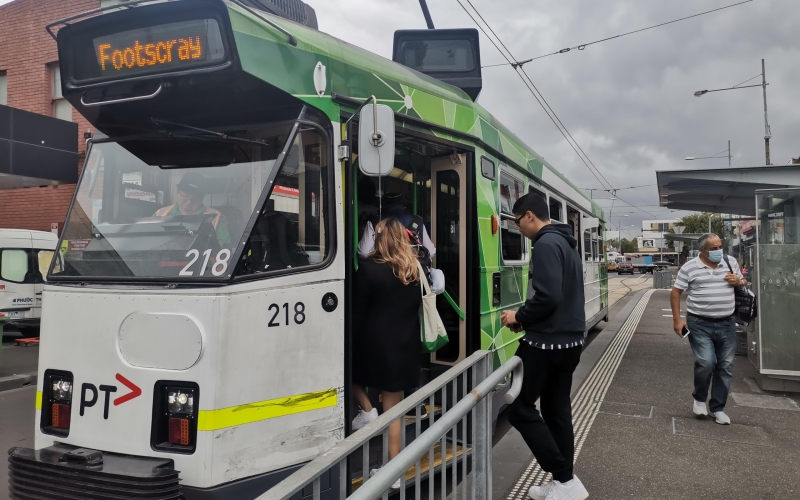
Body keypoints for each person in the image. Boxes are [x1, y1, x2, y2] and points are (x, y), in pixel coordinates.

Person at [499, 193, 589, 500]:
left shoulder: (546, 245)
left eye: (516, 220)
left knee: (519, 409)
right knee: (555, 411)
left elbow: (548, 296)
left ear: (528, 216)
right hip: (570, 341)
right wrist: (525, 320)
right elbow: (559, 297)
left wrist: (519, 316)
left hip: (546, 344)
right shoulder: (565, 243)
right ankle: (564, 482)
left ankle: (564, 477)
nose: (517, 228)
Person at [350, 218, 422, 490]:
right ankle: (395, 473)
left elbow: (358, 311)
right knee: (395, 412)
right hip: (405, 348)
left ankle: (367, 409)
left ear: (379, 237)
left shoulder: (368, 269)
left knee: (350, 375)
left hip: (373, 346)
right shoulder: (413, 268)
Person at [671, 233, 745, 425]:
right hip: (699, 323)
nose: (719, 251)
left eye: (720, 246)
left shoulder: (730, 263)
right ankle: (699, 399)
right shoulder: (690, 267)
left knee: (725, 366)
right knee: (706, 362)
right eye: (713, 248)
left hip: (727, 323)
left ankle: (718, 408)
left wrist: (739, 282)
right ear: (702, 250)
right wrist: (677, 320)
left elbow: (743, 283)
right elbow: (676, 292)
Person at [154, 172, 231, 247]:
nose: (189, 201)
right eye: (185, 195)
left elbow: (224, 247)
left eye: (195, 197)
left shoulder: (216, 217)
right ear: (177, 192)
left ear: (202, 198)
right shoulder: (160, 214)